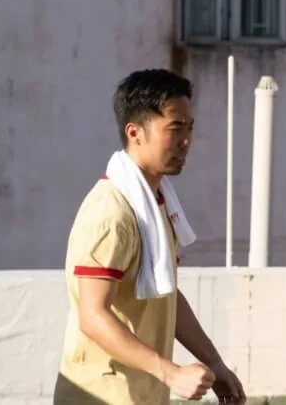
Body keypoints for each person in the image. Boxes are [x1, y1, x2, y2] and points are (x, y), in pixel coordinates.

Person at [54, 69, 245, 404]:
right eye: (175, 128)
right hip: (102, 395)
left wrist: (215, 363)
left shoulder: (154, 202)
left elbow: (165, 293)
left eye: (189, 127)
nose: (186, 140)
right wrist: (171, 373)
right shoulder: (112, 211)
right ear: (134, 133)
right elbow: (93, 315)